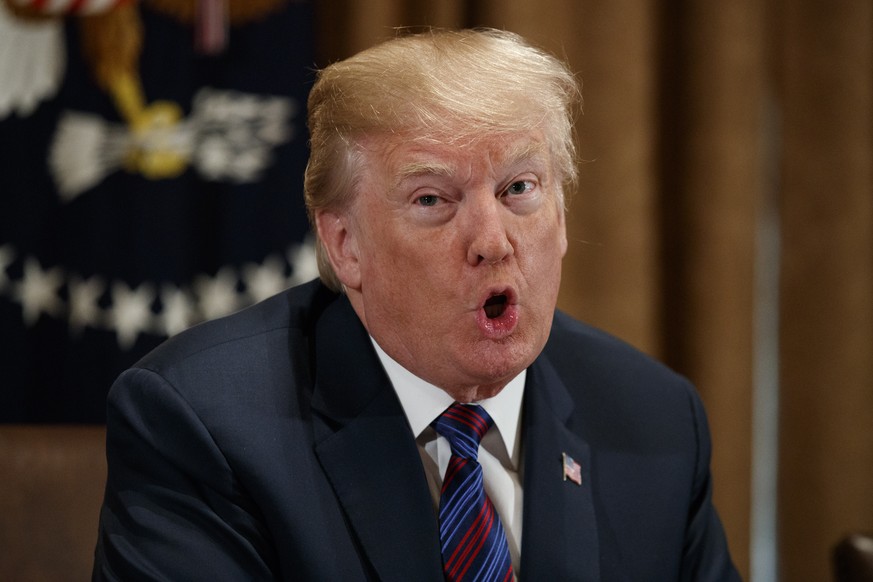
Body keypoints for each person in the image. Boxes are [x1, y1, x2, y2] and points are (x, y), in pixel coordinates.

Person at [92, 28, 740, 581]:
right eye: (432, 200)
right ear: (344, 245)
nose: (492, 241)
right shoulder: (202, 426)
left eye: (519, 188)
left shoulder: (654, 420)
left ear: (562, 216)